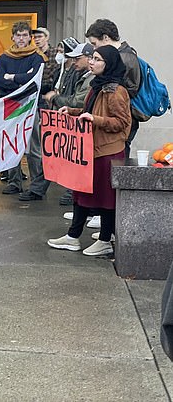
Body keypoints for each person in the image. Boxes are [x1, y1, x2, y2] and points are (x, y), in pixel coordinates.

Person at [47, 45, 131, 256]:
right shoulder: (97, 86)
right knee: (81, 193)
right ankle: (73, 236)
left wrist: (96, 120)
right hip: (91, 150)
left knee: (105, 198)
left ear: (109, 64)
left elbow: (122, 123)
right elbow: (89, 111)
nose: (91, 62)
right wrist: (73, 112)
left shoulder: (116, 90)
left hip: (108, 152)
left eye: (97, 59)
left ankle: (105, 239)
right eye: (92, 58)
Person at [0, 21, 46, 195]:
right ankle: (14, 182)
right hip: (10, 105)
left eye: (25, 35)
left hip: (31, 106)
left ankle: (37, 186)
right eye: (18, 35)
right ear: (12, 37)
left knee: (34, 148)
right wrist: (21, 79)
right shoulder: (4, 57)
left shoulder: (36, 57)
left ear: (30, 37)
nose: (21, 38)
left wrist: (12, 77)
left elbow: (34, 81)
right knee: (11, 145)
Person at [43, 41, 96, 206]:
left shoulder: (90, 79)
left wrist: (55, 98)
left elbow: (77, 101)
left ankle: (89, 207)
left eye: (77, 58)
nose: (74, 62)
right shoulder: (82, 75)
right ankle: (78, 200)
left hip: (88, 126)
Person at [85, 19, 141, 156]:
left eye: (94, 44)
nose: (94, 49)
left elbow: (126, 95)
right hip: (103, 135)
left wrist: (97, 117)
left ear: (105, 38)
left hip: (113, 138)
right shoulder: (100, 83)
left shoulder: (125, 59)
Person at [19, 27, 62, 201]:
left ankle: (41, 183)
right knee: (33, 145)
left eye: (40, 36)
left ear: (47, 37)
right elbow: (28, 79)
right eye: (34, 36)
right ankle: (36, 183)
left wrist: (30, 78)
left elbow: (48, 79)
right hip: (33, 104)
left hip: (47, 104)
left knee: (43, 146)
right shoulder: (31, 55)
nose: (37, 39)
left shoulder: (53, 54)